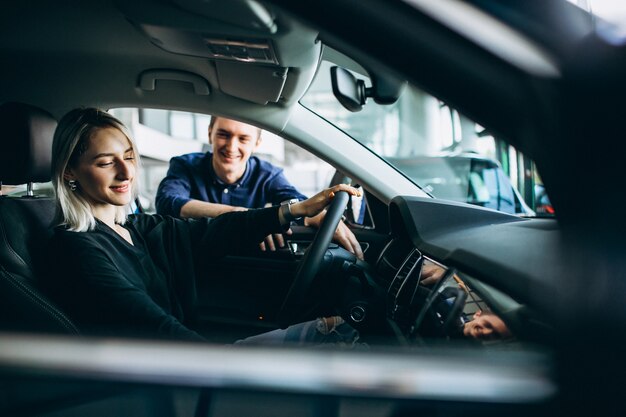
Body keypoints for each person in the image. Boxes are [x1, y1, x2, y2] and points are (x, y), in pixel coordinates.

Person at [45, 107, 362, 344]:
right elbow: (150, 325)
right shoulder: (79, 248)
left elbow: (213, 232)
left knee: (338, 330)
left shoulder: (136, 227)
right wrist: (217, 363)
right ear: (70, 172)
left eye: (128, 157)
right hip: (169, 371)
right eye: (105, 162)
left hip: (186, 355)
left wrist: (296, 209)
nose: (126, 173)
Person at [155, 116, 363, 258]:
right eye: (223, 135)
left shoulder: (268, 174)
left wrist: (319, 216)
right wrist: (246, 216)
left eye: (243, 138)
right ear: (210, 133)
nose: (231, 146)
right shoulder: (185, 165)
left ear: (257, 143)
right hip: (194, 261)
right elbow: (167, 202)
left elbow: (296, 201)